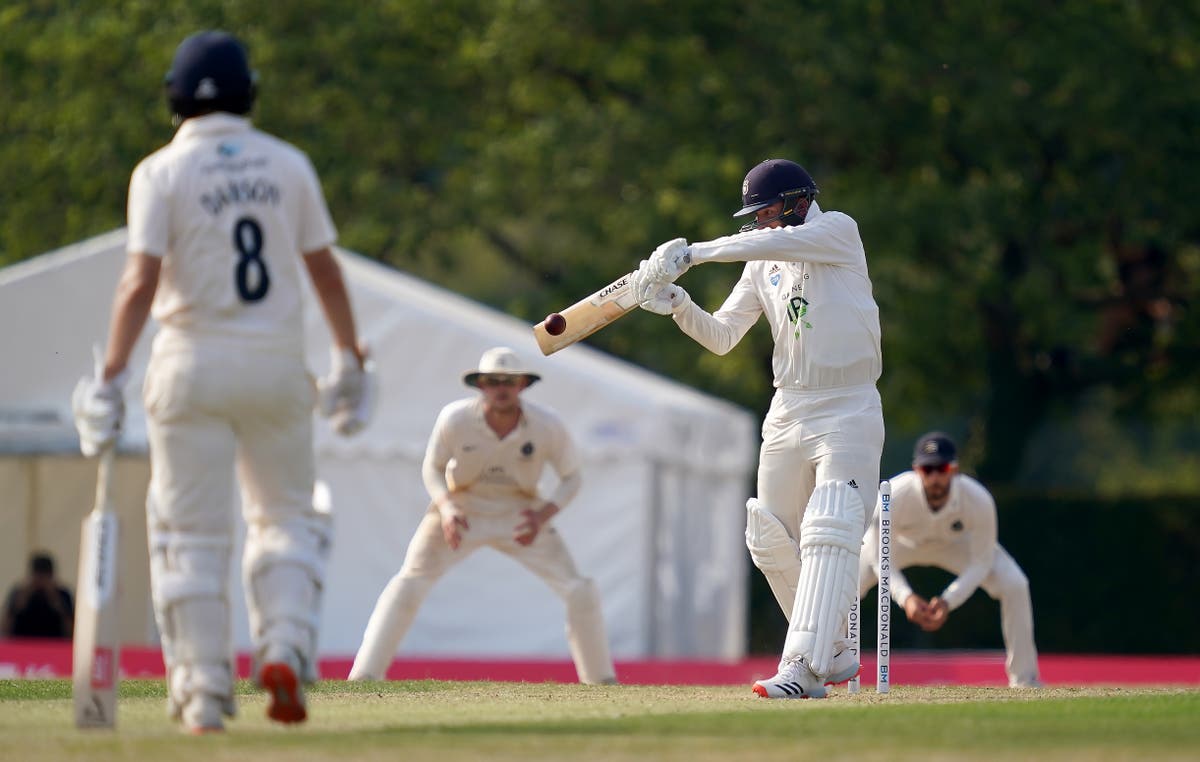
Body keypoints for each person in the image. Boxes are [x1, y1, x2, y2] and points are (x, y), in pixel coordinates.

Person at [70, 30, 372, 733]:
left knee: (190, 534)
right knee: (285, 517)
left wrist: (109, 377)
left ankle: (204, 691)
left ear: (175, 97)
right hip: (274, 366)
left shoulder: (159, 173)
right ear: (250, 92)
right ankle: (286, 645)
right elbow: (324, 269)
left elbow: (139, 281)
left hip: (189, 366)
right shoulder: (288, 164)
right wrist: (351, 359)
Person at [629, 158, 884, 698]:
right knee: (768, 535)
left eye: (768, 211)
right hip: (789, 406)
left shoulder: (838, 231)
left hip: (848, 405)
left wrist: (693, 253)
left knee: (831, 523)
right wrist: (677, 303)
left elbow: (759, 246)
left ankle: (803, 669)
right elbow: (722, 337)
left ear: (796, 202)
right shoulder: (762, 261)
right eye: (757, 214)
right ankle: (833, 649)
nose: (762, 222)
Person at [349, 347, 616, 685]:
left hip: (521, 515)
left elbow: (573, 476)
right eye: (492, 381)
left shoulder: (547, 425)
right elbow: (432, 467)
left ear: (522, 385)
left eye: (509, 381)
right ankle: (365, 676)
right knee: (409, 582)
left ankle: (601, 682)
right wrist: (446, 507)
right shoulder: (455, 419)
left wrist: (542, 516)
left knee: (579, 589)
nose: (501, 388)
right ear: (480, 384)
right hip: (462, 511)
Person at [860, 432, 1042, 688]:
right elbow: (879, 555)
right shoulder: (894, 494)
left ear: (954, 470)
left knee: (1015, 583)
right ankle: (822, 669)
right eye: (927, 469)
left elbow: (982, 561)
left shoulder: (978, 499)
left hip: (955, 546)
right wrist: (906, 597)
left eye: (942, 468)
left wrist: (948, 600)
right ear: (916, 470)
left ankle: (1025, 679)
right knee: (846, 581)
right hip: (900, 546)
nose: (935, 477)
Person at [2, 553, 74, 639]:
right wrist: (19, 603)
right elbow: (4, 629)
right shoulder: (19, 593)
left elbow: (71, 632)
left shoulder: (63, 595)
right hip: (21, 644)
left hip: (54, 645)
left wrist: (56, 602)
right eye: (37, 575)